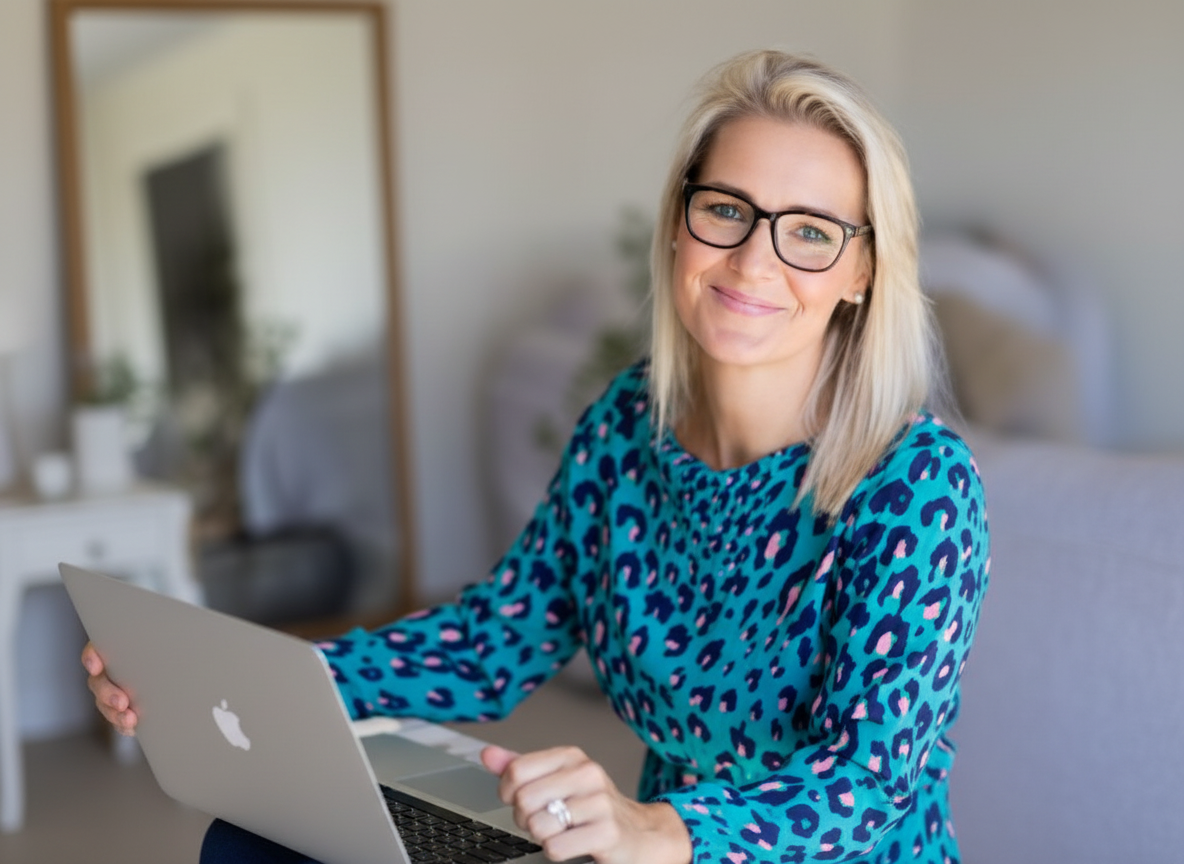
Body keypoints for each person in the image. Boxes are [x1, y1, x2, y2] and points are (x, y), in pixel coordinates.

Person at [84, 49, 989, 864]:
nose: (754, 260)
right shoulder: (627, 427)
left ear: (863, 271)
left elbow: (867, 782)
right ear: (679, 223)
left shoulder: (915, 486)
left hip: (715, 852)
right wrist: (266, 685)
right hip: (648, 854)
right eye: (727, 209)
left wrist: (657, 829)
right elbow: (493, 640)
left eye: (810, 231)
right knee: (252, 846)